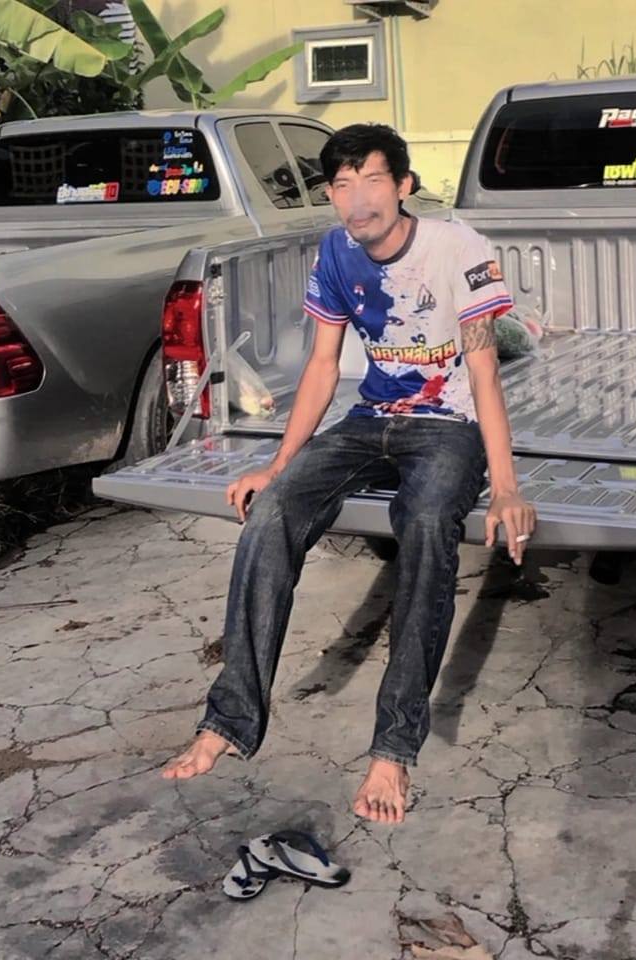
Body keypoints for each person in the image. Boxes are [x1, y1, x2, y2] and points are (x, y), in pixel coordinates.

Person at [161, 123, 537, 824]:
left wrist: (506, 486)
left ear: (404, 186)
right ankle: (229, 721)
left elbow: (484, 371)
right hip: (369, 419)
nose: (358, 199)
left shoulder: (458, 248)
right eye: (341, 184)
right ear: (331, 195)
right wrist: (278, 466)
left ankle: (393, 751)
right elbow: (322, 365)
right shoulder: (335, 251)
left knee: (426, 526)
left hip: (449, 426)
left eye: (372, 181)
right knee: (271, 515)